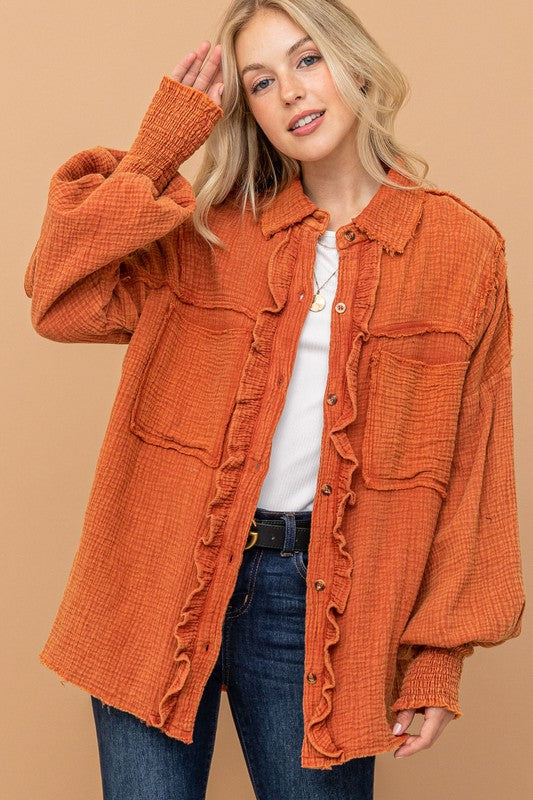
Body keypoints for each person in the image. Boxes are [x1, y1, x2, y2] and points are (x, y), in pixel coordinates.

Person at [25, 1, 525, 798]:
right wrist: (155, 156)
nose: (290, 92)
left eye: (306, 60)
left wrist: (436, 657)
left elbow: (472, 469)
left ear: (355, 65)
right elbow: (59, 296)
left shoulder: (461, 251)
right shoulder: (209, 232)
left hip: (323, 605)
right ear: (247, 111)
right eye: (260, 81)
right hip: (158, 578)